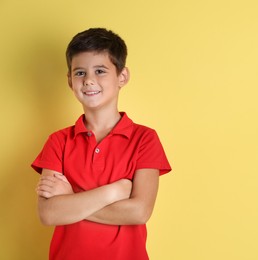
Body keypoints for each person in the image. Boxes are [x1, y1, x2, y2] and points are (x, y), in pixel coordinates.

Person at [31, 28, 172, 260]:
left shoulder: (145, 139)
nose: (88, 81)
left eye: (100, 71)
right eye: (79, 73)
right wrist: (113, 192)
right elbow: (49, 214)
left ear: (122, 77)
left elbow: (139, 212)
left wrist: (71, 198)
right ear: (69, 80)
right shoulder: (58, 141)